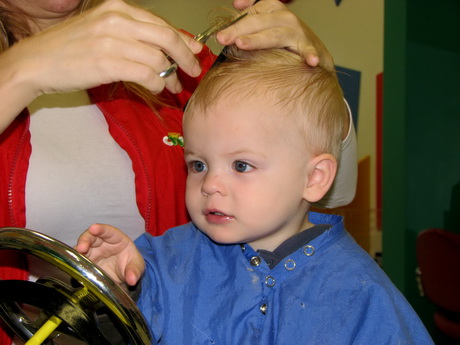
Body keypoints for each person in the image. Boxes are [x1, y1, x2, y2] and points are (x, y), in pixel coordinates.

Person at [0, 0, 357, 343]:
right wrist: (17, 74)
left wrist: (317, 75)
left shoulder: (170, 58)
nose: (212, 182)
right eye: (199, 166)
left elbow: (333, 191)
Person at [76, 46, 433, 344]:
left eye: (241, 166)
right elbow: (110, 331)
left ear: (314, 178)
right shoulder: (165, 260)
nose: (210, 185)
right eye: (198, 165)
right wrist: (117, 287)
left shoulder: (360, 295)